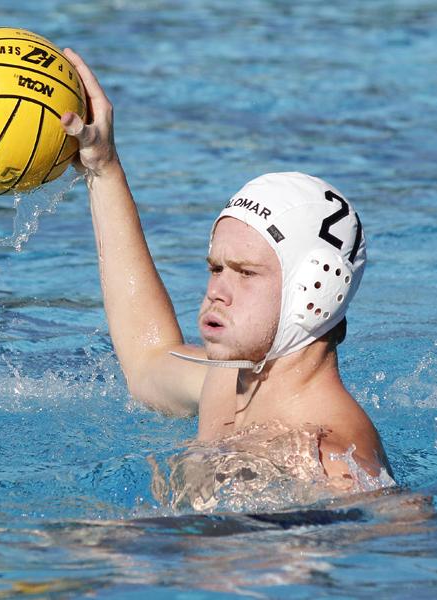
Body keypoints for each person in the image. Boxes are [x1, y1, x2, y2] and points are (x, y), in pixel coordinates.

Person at [60, 48, 393, 489]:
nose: (217, 290)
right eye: (216, 268)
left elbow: (404, 527)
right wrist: (103, 168)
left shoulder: (333, 461)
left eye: (246, 272)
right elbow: (146, 363)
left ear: (315, 291)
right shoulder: (229, 378)